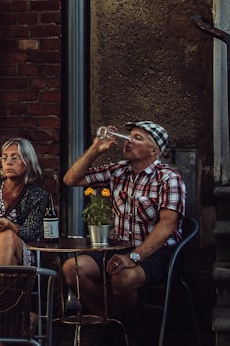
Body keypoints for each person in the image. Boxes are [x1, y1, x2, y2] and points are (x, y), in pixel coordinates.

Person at [61, 120, 185, 322]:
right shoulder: (119, 171)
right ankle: (112, 320)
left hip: (159, 254)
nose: (128, 141)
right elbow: (70, 179)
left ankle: (125, 328)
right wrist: (96, 148)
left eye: (137, 138)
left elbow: (168, 226)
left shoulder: (168, 178)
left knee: (123, 278)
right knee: (72, 268)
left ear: (154, 149)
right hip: (120, 249)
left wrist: (133, 257)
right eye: (129, 137)